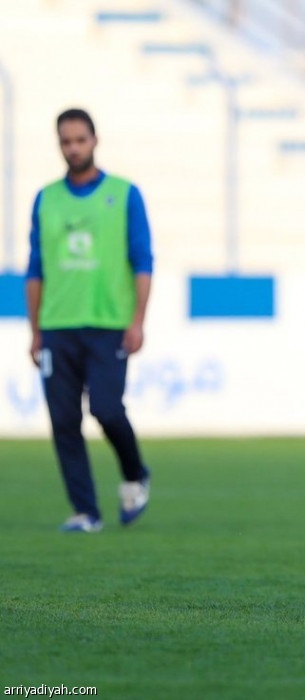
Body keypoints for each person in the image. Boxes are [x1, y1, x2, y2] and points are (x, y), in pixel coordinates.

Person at [26, 108, 153, 533]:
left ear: (94, 140)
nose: (73, 148)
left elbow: (142, 260)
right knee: (63, 421)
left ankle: (135, 474)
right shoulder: (46, 199)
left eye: (80, 140)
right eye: (66, 141)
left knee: (106, 409)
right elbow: (36, 269)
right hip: (57, 327)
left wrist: (137, 320)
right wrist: (36, 331)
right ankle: (86, 512)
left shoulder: (124, 193)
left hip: (108, 324)